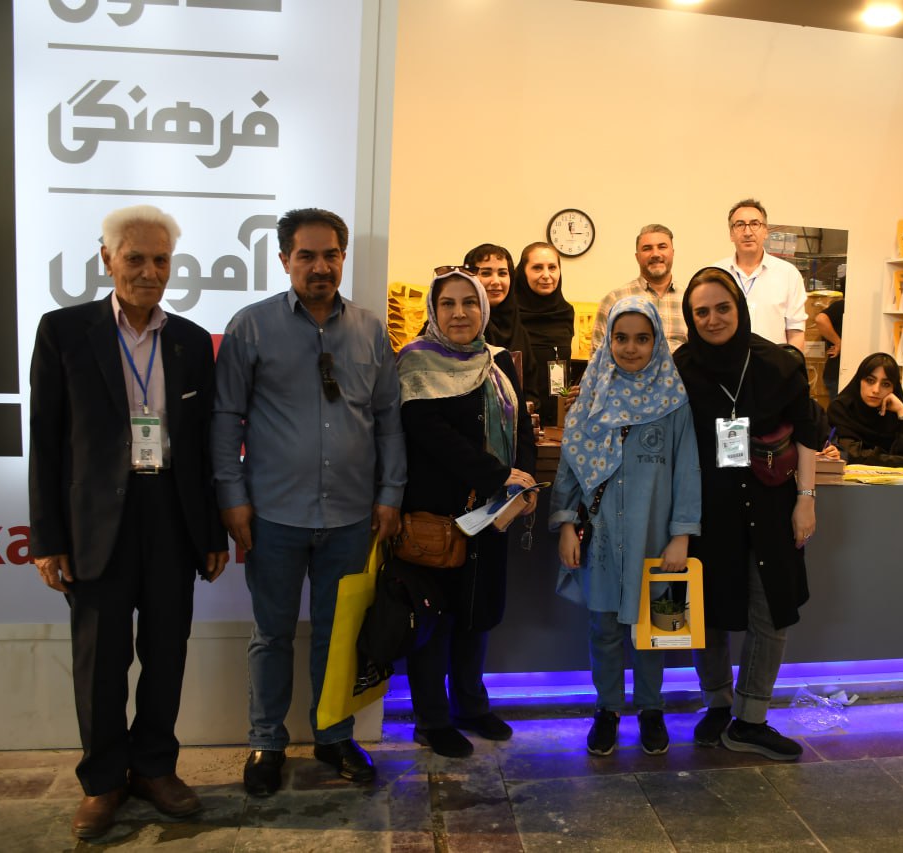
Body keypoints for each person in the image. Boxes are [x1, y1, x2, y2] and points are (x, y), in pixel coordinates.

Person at [28, 205, 229, 839]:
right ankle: (102, 781)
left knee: (166, 652)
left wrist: (211, 532)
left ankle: (154, 767)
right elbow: (46, 441)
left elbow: (202, 446)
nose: (149, 271)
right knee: (100, 661)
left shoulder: (190, 340)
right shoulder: (63, 331)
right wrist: (47, 538)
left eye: (160, 260)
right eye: (135, 258)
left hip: (172, 515)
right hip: (95, 523)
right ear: (107, 259)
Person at [212, 208, 407, 796]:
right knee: (271, 633)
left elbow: (388, 420)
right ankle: (266, 741)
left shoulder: (371, 330)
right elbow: (225, 418)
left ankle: (333, 736)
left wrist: (390, 493)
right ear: (284, 260)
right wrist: (232, 497)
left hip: (352, 515)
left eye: (330, 255)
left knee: (338, 633)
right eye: (306, 256)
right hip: (273, 514)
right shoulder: (250, 327)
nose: (320, 267)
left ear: (343, 258)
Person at [673, 266, 818, 762]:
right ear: (690, 318)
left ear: (740, 307)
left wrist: (806, 498)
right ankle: (718, 704)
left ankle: (751, 718)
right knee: (708, 612)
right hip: (706, 507)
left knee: (770, 610)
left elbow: (807, 431)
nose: (713, 319)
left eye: (723, 307)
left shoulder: (777, 363)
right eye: (701, 312)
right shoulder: (681, 368)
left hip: (771, 505)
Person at [394, 266, 538, 758]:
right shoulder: (415, 361)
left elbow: (521, 429)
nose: (459, 313)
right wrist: (499, 475)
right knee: (433, 621)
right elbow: (430, 433)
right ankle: (432, 720)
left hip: (491, 515)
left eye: (469, 302)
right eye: (448, 303)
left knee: (477, 614)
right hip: (436, 517)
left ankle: (471, 706)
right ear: (433, 311)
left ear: (484, 308)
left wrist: (523, 479)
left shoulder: (498, 362)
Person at [550, 296, 700, 757]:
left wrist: (681, 536)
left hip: (656, 537)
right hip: (601, 536)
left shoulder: (673, 402)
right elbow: (571, 465)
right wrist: (565, 524)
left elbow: (686, 470)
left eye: (642, 338)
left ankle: (651, 708)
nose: (631, 348)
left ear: (657, 342)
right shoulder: (593, 396)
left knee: (655, 629)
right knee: (604, 629)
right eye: (621, 338)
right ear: (608, 341)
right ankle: (608, 709)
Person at [714, 198, 807, 348]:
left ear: (765, 231)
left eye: (755, 224)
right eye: (740, 225)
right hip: (726, 361)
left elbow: (795, 332)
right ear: (731, 233)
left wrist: (791, 363)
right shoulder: (716, 274)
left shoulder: (788, 274)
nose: (747, 232)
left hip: (772, 362)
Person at [827, 352, 903, 471]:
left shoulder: (893, 410)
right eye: (870, 380)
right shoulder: (841, 408)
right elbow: (853, 455)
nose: (876, 390)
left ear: (894, 388)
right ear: (859, 381)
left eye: (885, 384)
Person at [589, 224, 686, 354]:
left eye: (662, 247)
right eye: (647, 248)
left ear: (672, 253)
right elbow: (598, 358)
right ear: (637, 257)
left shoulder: (690, 299)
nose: (655, 254)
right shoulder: (614, 300)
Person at [514, 241, 576, 424]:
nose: (547, 275)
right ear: (523, 272)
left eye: (552, 267)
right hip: (520, 417)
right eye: (537, 268)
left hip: (558, 419)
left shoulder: (566, 312)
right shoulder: (510, 315)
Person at [464, 242, 536, 396]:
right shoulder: (455, 323)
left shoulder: (518, 328)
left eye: (503, 273)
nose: (496, 281)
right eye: (486, 273)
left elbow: (530, 388)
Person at [815, 297, 843, 403]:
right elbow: (820, 319)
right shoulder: (843, 305)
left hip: (839, 373)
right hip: (838, 373)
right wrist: (839, 343)